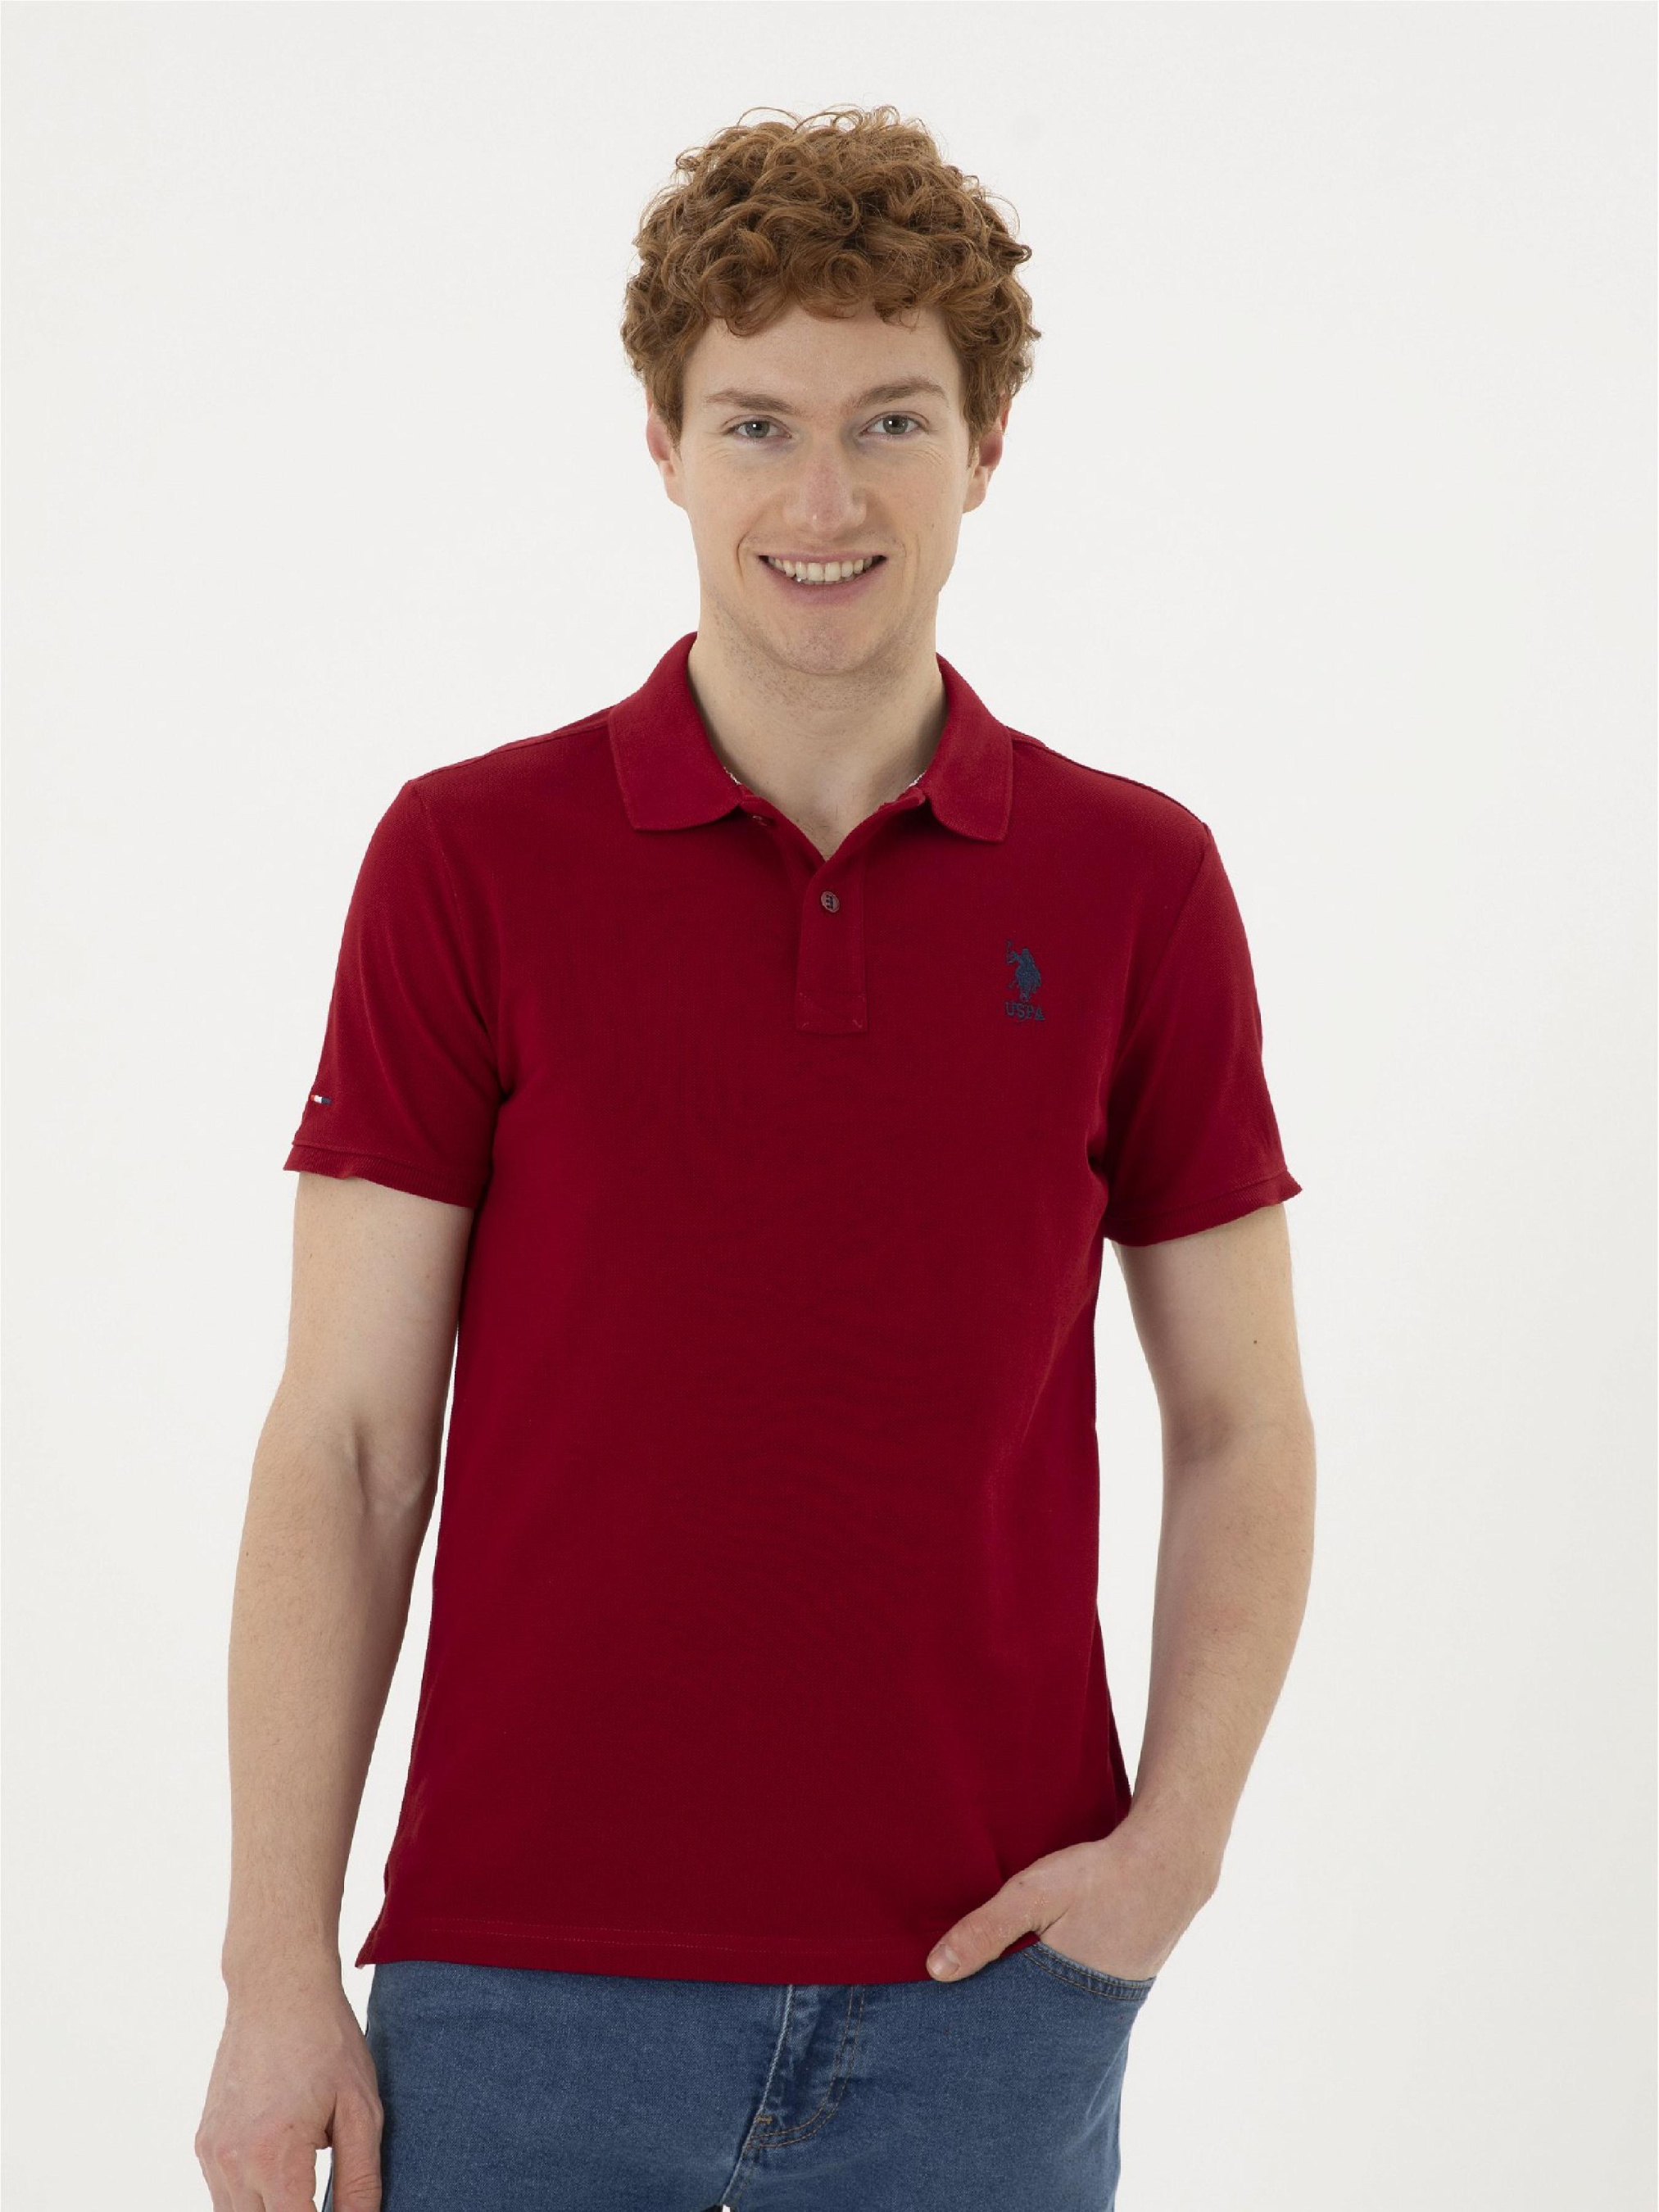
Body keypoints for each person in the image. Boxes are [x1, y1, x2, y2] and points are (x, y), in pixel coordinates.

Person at [195, 102, 1315, 2212]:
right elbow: (344, 1443)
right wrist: (274, 1973)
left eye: (889, 422)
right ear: (662, 442)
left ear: (986, 445)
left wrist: (1167, 1858)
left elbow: (1241, 1421)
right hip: (512, 2003)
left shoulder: (1133, 884)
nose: (821, 498)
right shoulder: (468, 862)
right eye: (755, 426)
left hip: (988, 2002)